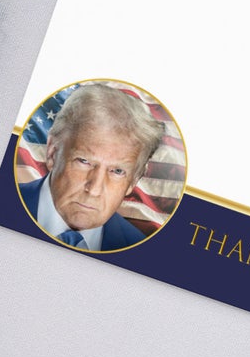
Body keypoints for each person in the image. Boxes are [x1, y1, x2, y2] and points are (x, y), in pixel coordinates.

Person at [19, 83, 165, 252]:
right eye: (84, 161)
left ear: (134, 180)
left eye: (117, 171)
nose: (94, 189)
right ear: (52, 152)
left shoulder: (139, 249)